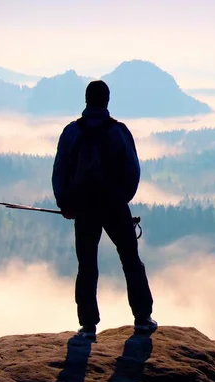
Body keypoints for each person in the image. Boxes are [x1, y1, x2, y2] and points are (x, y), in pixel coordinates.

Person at [51, 80, 157, 341]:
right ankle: (142, 318)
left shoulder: (71, 132)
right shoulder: (118, 132)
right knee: (130, 260)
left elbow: (60, 171)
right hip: (114, 206)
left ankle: (88, 326)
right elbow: (132, 171)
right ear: (107, 101)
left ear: (86, 100)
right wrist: (121, 199)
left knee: (86, 265)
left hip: (83, 208)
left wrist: (66, 204)